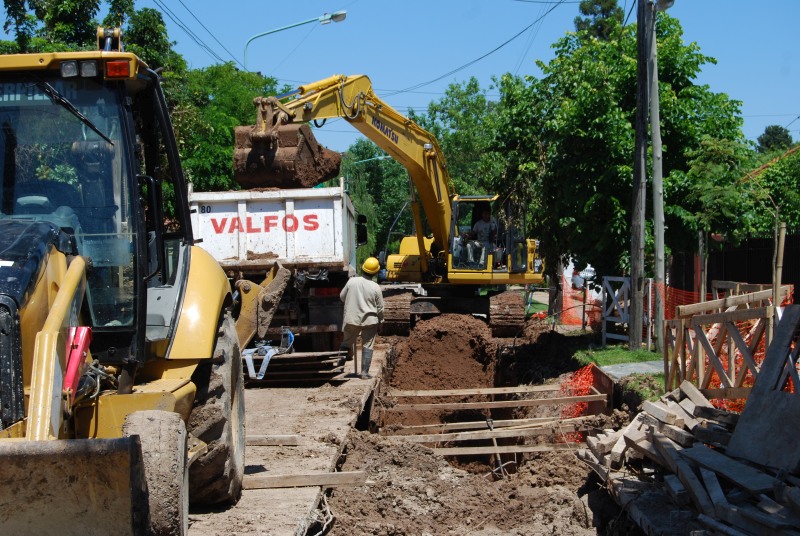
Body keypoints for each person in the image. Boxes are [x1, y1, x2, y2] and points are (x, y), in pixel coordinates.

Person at [339, 257, 384, 379]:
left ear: (363, 268)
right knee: (368, 345)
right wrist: (381, 322)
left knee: (346, 342)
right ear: (375, 272)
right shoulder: (375, 287)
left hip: (351, 319)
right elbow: (380, 308)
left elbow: (342, 297)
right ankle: (364, 373)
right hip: (370, 321)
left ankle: (339, 369)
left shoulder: (351, 282)